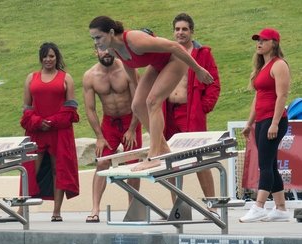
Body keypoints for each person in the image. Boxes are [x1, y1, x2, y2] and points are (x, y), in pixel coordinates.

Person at [88, 16, 214, 171]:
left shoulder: (134, 40)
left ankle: (154, 155)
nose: (96, 42)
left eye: (98, 37)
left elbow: (174, 46)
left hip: (175, 60)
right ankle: (163, 147)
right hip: (157, 65)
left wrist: (198, 69)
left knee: (153, 102)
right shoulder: (114, 50)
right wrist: (137, 89)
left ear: (111, 32)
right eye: (93, 38)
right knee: (137, 105)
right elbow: (130, 68)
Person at [164, 13, 221, 216]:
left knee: (199, 160)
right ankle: (177, 207)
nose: (180, 32)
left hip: (191, 112)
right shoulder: (167, 52)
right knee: (170, 162)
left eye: (184, 29)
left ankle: (212, 204)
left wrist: (203, 106)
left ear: (191, 31)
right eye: (177, 29)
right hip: (169, 114)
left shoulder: (202, 53)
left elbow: (213, 82)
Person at [82, 45, 142, 223]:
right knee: (102, 163)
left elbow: (139, 100)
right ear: (96, 51)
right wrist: (99, 137)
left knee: (133, 165)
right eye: (102, 49)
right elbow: (90, 109)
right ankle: (95, 209)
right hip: (109, 123)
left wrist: (132, 129)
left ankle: (133, 208)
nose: (106, 53)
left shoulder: (127, 69)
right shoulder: (90, 76)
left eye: (109, 49)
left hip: (131, 119)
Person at [20, 42, 80, 222]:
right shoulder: (31, 77)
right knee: (29, 169)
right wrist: (38, 122)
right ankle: (23, 210)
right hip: (37, 130)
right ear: (41, 58)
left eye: (52, 56)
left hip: (59, 131)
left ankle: (57, 211)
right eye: (45, 56)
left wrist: (52, 122)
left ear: (57, 58)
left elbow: (71, 108)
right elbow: (27, 108)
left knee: (58, 169)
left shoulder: (66, 78)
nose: (48, 59)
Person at [239, 28, 290, 223]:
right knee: (271, 164)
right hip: (262, 120)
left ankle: (259, 206)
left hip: (273, 120)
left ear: (274, 43)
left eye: (263, 40)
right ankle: (281, 208)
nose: (259, 43)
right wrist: (249, 123)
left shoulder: (279, 65)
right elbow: (257, 98)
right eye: (257, 40)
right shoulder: (262, 67)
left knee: (264, 165)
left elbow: (282, 96)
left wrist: (275, 123)